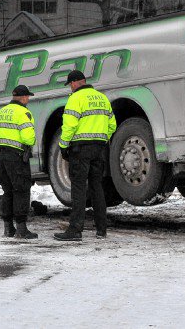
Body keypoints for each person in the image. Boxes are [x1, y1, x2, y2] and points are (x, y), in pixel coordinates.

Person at [53, 70, 117, 242]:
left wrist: (63, 145)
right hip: (99, 148)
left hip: (80, 149)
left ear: (74, 83)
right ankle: (101, 229)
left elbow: (69, 126)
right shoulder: (102, 98)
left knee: (79, 189)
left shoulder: (75, 99)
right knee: (97, 187)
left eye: (70, 85)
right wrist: (101, 139)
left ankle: (75, 230)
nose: (71, 88)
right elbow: (112, 124)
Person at [0, 84, 38, 239]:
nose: (28, 100)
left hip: (3, 157)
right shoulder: (24, 113)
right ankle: (21, 229)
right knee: (21, 190)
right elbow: (28, 137)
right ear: (24, 97)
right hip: (17, 157)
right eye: (28, 97)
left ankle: (8, 228)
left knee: (8, 191)